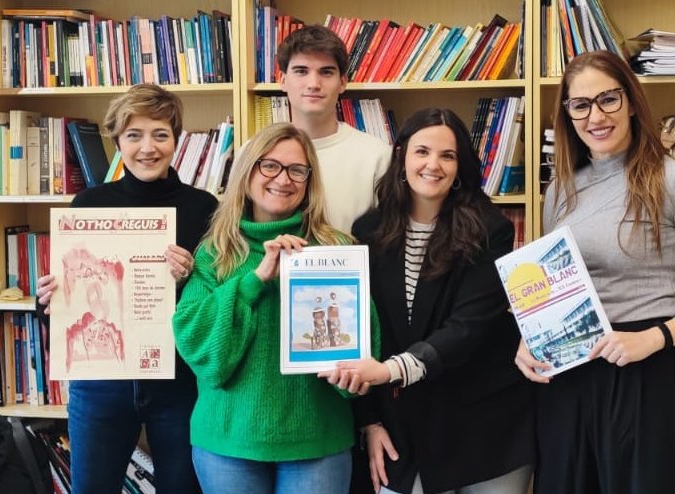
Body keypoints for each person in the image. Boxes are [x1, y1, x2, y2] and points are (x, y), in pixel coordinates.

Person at [514, 50, 675, 494]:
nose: (595, 116)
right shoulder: (560, 189)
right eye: (580, 105)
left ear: (631, 99)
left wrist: (655, 337)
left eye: (608, 99)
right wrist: (529, 338)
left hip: (647, 372)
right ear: (567, 114)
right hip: (569, 376)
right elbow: (555, 289)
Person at [330, 108, 535, 494]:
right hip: (405, 423)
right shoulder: (368, 231)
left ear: (461, 167)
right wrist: (369, 422)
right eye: (422, 152)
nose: (433, 165)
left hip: (488, 421)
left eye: (448, 155)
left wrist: (392, 370)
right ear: (402, 157)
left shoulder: (491, 229)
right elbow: (364, 333)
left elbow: (469, 327)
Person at [171, 123, 380, 494]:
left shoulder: (337, 249)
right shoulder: (215, 252)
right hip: (228, 442)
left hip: (316, 441)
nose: (283, 179)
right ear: (248, 171)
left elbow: (367, 342)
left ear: (308, 180)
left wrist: (354, 376)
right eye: (270, 166)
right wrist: (258, 277)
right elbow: (194, 339)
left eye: (297, 170)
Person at [35, 83, 218, 493]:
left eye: (160, 134)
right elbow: (66, 307)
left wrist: (193, 278)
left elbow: (217, 301)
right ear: (118, 141)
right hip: (102, 382)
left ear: (176, 139)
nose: (147, 147)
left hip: (178, 381)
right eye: (134, 135)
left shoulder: (203, 207)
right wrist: (48, 299)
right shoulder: (88, 204)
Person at [277, 24, 392, 232]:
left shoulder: (378, 156)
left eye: (326, 72)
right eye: (301, 71)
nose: (313, 83)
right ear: (283, 81)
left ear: (342, 82)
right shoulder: (254, 154)